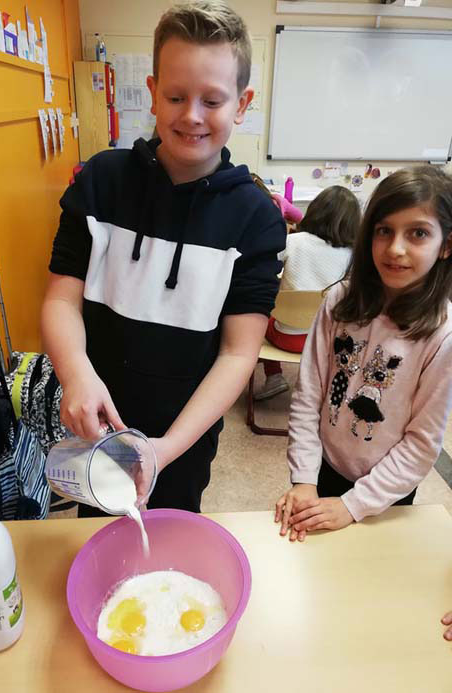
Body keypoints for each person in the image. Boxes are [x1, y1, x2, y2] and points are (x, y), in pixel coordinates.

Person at [41, 1, 286, 515]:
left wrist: (165, 450)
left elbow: (238, 353)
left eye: (212, 100)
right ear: (153, 93)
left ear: (241, 104)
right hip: (98, 425)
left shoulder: (255, 219)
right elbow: (61, 300)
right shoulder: (100, 182)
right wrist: (76, 374)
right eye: (176, 97)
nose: (191, 115)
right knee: (96, 527)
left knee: (171, 530)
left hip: (184, 439)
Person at [274, 165, 452, 541]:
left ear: (446, 245)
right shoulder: (340, 299)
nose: (395, 248)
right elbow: (309, 394)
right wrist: (304, 479)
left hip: (386, 491)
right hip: (324, 466)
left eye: (418, 233)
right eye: (384, 230)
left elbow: (421, 444)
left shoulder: (443, 334)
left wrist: (354, 505)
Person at [255, 185, 361, 400]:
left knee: (260, 316)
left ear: (314, 211)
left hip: (286, 337)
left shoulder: (292, 241)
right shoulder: (353, 255)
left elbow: (260, 267)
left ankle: (274, 377)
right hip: (329, 342)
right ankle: (323, 386)